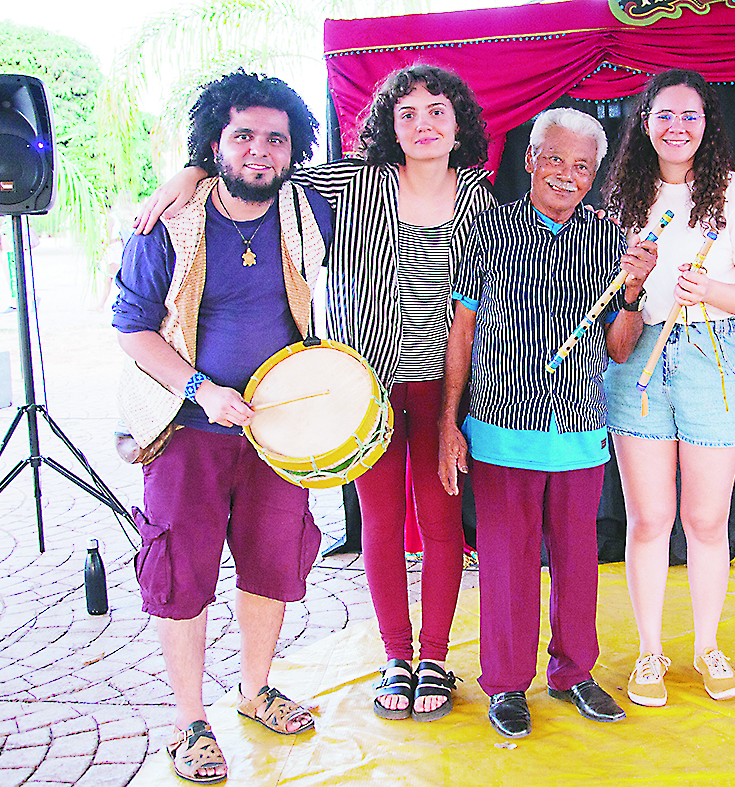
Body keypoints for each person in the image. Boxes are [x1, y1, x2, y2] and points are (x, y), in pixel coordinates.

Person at [136, 64, 495, 722]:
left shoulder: (479, 195)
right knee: (383, 527)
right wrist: (188, 172)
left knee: (443, 526)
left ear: (458, 122)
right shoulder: (348, 181)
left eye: (436, 111)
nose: (422, 124)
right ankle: (395, 654)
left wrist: (456, 408)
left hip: (447, 384)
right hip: (361, 387)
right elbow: (252, 173)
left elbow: (478, 302)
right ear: (388, 123)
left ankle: (434, 657)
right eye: (407, 112)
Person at [113, 70, 334, 783]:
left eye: (276, 138)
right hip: (185, 430)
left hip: (276, 431)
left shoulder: (307, 208)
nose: (260, 151)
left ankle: (253, 688)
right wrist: (201, 391)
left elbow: (375, 166)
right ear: (216, 143)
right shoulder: (167, 221)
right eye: (243, 136)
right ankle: (188, 721)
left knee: (272, 562)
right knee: (181, 574)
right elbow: (132, 330)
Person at [438, 108, 657, 739]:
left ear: (596, 175)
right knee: (507, 561)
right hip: (500, 423)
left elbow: (619, 348)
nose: (567, 175)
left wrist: (635, 290)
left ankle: (574, 672)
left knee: (577, 559)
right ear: (530, 160)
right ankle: (507, 683)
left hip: (580, 428)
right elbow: (461, 326)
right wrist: (449, 420)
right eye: (555, 159)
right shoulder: (481, 219)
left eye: (582, 165)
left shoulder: (615, 237)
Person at [601, 69, 735, 708]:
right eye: (664, 115)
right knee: (649, 519)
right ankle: (651, 651)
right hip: (638, 357)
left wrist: (712, 292)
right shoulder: (620, 197)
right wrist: (632, 283)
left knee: (706, 518)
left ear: (707, 125)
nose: (677, 127)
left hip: (714, 355)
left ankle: (707, 647)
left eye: (690, 117)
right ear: (644, 121)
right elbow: (611, 306)